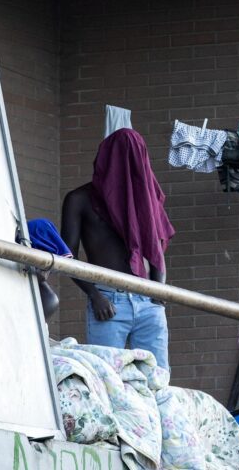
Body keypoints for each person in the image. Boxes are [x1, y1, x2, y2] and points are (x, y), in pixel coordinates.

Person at [61, 128, 175, 370]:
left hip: (148, 299)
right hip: (107, 301)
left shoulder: (146, 197)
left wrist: (159, 293)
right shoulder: (79, 199)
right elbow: (66, 256)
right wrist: (94, 295)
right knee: (108, 379)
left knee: (157, 381)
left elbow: (156, 246)